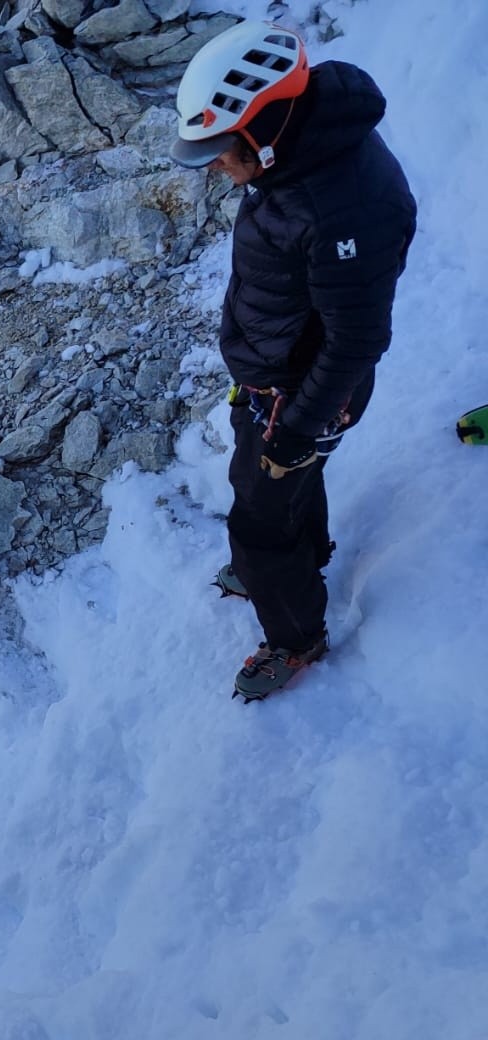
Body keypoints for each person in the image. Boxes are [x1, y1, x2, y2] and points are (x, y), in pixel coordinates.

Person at [169, 19, 415, 700]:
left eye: (221, 150)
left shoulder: (342, 213)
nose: (215, 167)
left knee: (258, 525)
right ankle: (300, 559)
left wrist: (298, 428)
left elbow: (357, 339)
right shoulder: (300, 151)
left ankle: (296, 636)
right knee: (266, 482)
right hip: (277, 379)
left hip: (305, 395)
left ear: (266, 128)